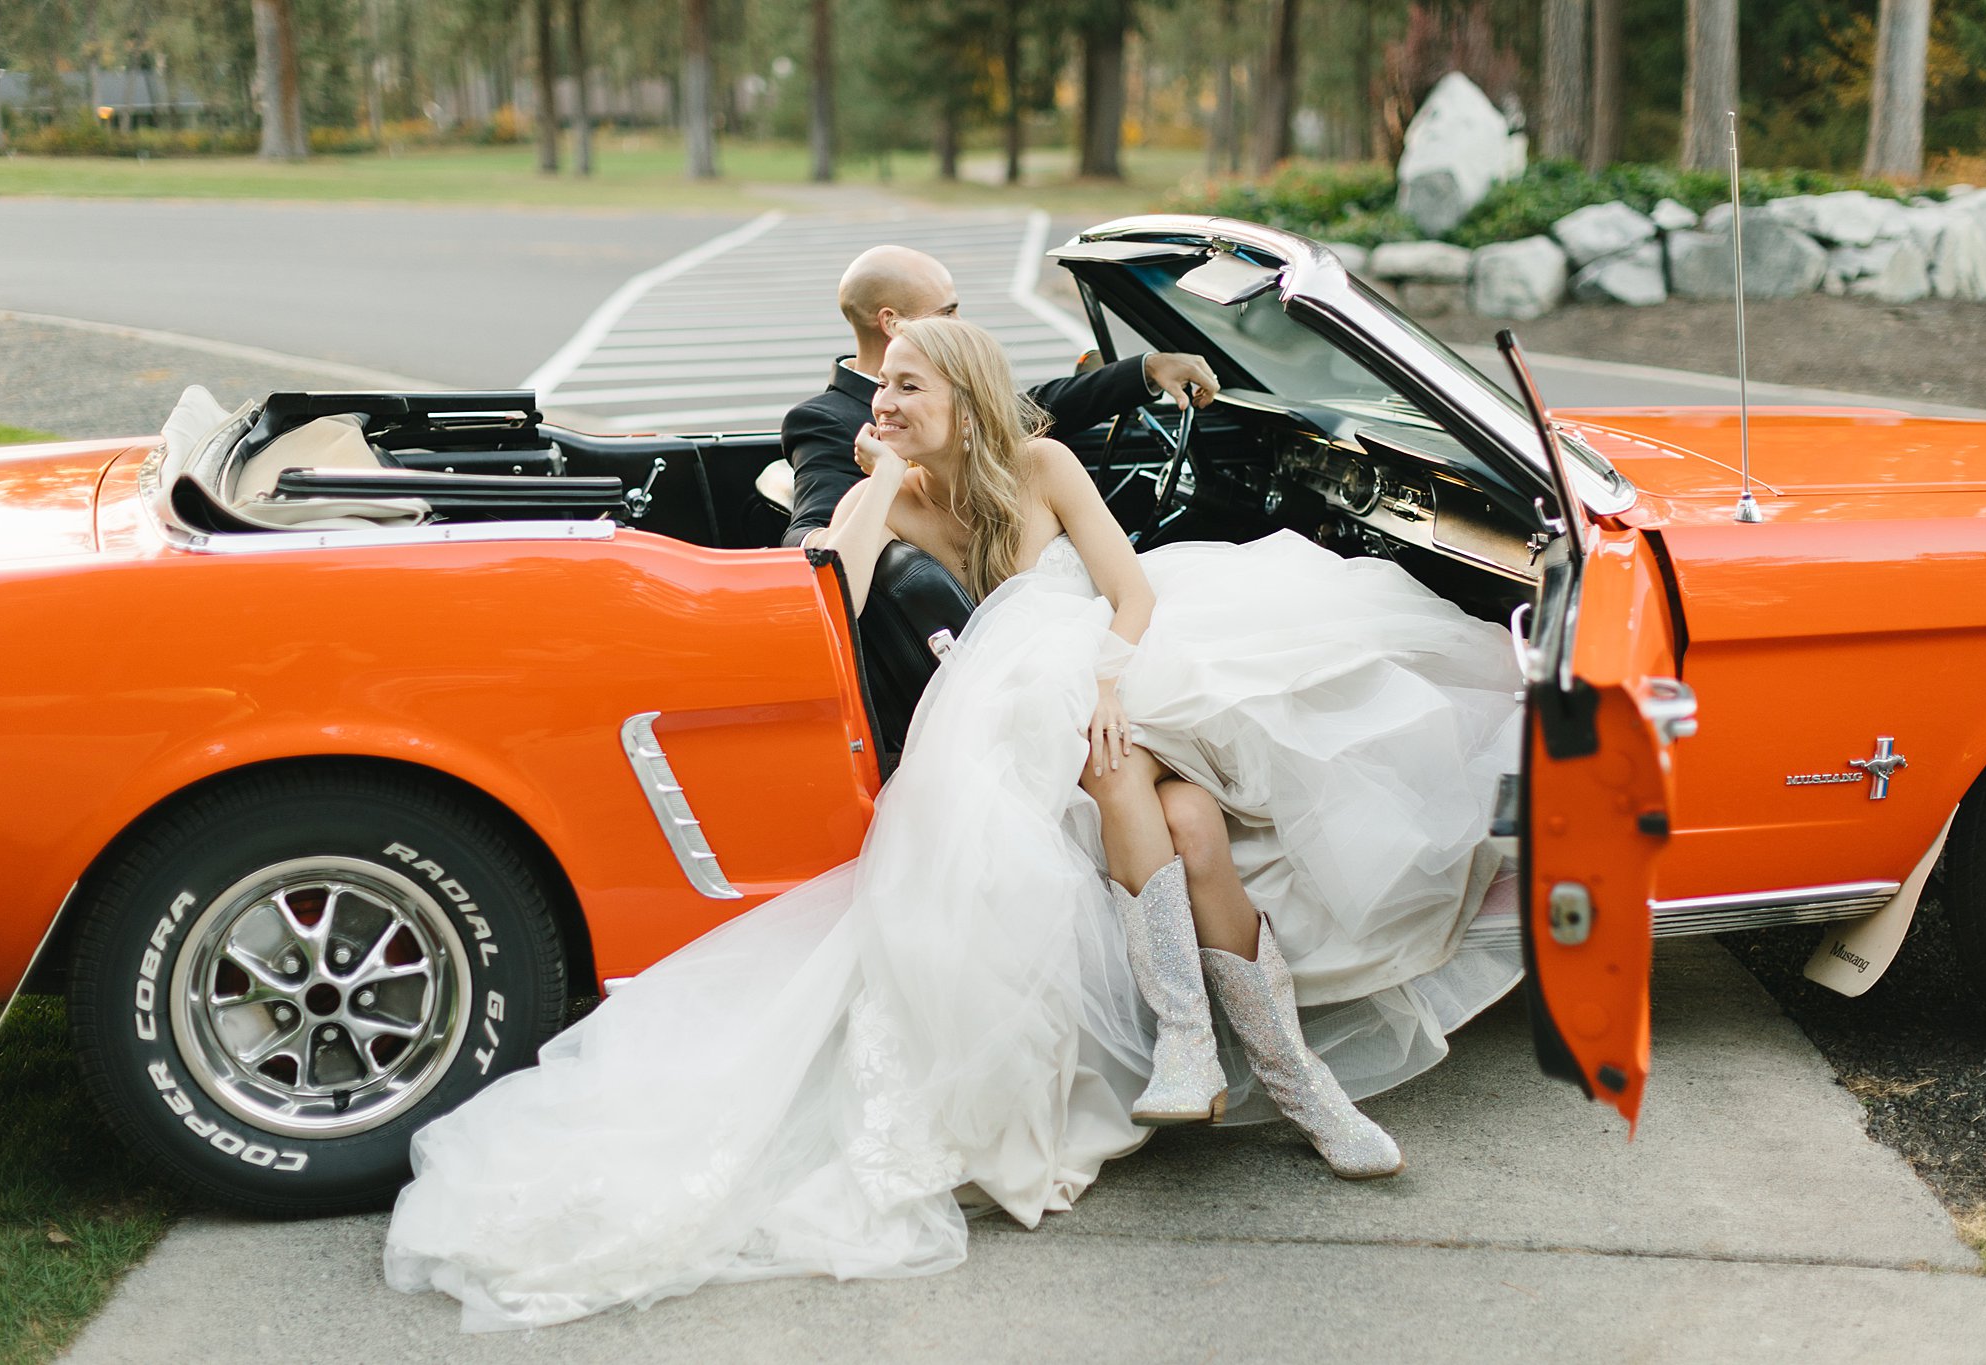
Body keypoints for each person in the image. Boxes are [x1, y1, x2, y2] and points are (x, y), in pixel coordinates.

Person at [385, 319, 1523, 1333]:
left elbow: (1127, 594)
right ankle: (1290, 1086)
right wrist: (872, 482)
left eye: (906, 389)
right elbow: (825, 567)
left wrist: (1115, 680)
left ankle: (1229, 1059)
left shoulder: (1043, 460)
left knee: (1146, 771)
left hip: (1131, 676)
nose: (880, 404)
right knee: (1190, 825)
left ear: (964, 399)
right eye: (878, 388)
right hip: (1033, 732)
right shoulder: (904, 495)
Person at [779, 244, 1220, 548]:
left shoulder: (955, 395)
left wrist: (1144, 370)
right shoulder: (826, 420)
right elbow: (809, 535)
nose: (962, 322)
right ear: (893, 324)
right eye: (948, 311)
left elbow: (1036, 408)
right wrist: (878, 487)